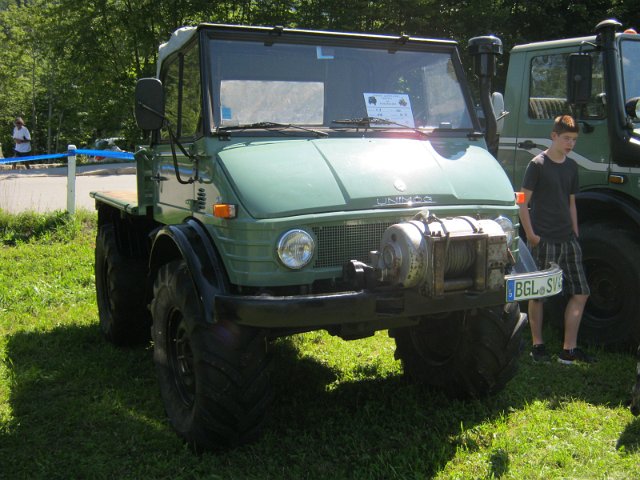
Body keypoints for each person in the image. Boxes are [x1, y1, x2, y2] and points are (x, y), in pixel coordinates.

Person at [519, 114, 595, 365]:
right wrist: (531, 236)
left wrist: (575, 233)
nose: (570, 144)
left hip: (568, 240)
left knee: (581, 292)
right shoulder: (537, 164)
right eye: (566, 138)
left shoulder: (571, 167)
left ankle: (568, 350)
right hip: (544, 240)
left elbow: (571, 203)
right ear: (554, 136)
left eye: (574, 140)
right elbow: (522, 201)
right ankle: (538, 346)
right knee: (538, 295)